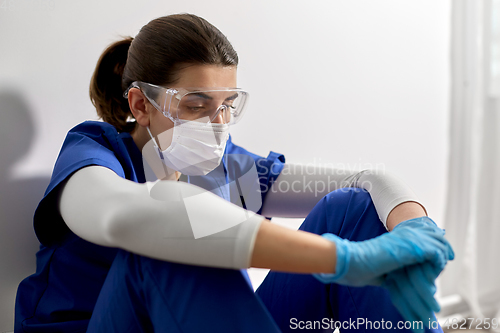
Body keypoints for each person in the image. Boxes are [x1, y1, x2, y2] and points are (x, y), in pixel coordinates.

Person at [14, 13, 454, 333]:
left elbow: (366, 182)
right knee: (169, 240)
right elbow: (127, 218)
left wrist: (417, 233)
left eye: (227, 104)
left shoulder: (231, 168)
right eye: (196, 104)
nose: (218, 123)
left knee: (353, 210)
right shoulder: (94, 154)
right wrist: (345, 260)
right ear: (140, 105)